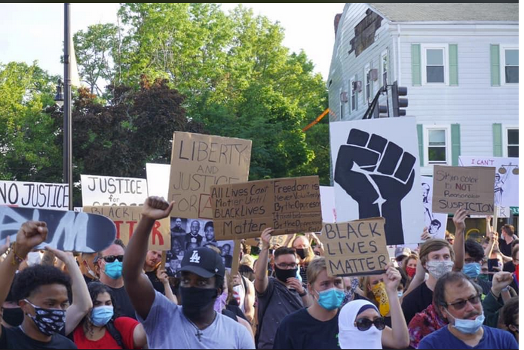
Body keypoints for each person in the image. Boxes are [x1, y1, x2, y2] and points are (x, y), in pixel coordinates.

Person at [122, 196, 254, 348]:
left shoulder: (238, 334)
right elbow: (132, 275)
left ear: (217, 290)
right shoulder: (162, 316)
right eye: (186, 280)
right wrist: (147, 220)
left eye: (201, 281)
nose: (191, 286)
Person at [0, 220, 77, 349]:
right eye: (50, 304)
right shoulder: (7, 341)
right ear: (24, 305)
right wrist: (18, 252)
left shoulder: (68, 346)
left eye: (63, 304)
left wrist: (69, 260)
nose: (59, 311)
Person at [417, 272, 518, 349]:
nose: (470, 308)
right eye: (459, 303)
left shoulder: (504, 340)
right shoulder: (431, 345)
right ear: (443, 310)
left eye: (473, 298)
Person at [401, 209, 466, 325]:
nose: (442, 261)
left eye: (446, 257)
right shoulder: (413, 300)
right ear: (425, 263)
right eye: (436, 257)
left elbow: (458, 266)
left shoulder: (463, 294)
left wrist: (460, 229)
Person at [254, 228, 310, 349]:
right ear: (274, 267)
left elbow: (312, 313)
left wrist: (302, 292)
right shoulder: (270, 286)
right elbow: (259, 277)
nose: (288, 268)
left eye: (292, 265)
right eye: (283, 265)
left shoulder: (304, 289)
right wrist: (265, 248)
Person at [273, 257, 345, 349]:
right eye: (325, 284)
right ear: (310, 288)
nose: (333, 289)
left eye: (337, 282)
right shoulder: (291, 325)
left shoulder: (351, 320)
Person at [338, 265, 409, 349]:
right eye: (364, 323)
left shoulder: (369, 310)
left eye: (378, 322)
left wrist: (392, 291)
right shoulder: (355, 311)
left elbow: (401, 342)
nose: (372, 328)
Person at [72, 282, 147, 348]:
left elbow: (146, 333)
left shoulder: (120, 325)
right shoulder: (73, 331)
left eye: (108, 303)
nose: (104, 308)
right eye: (97, 304)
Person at [96, 240, 136, 319]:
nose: (116, 262)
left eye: (121, 258)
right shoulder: (90, 292)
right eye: (110, 258)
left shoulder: (136, 292)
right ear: (100, 263)